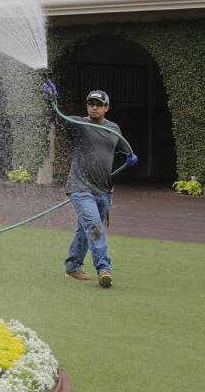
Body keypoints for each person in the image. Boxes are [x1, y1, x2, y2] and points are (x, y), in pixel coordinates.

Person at [44, 82, 137, 289]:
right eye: (91, 104)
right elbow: (58, 119)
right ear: (87, 107)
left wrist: (130, 156)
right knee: (94, 226)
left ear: (106, 108)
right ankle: (104, 269)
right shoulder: (78, 124)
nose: (94, 107)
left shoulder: (114, 129)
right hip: (80, 188)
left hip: (104, 191)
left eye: (98, 104)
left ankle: (72, 266)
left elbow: (122, 147)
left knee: (85, 229)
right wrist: (51, 100)